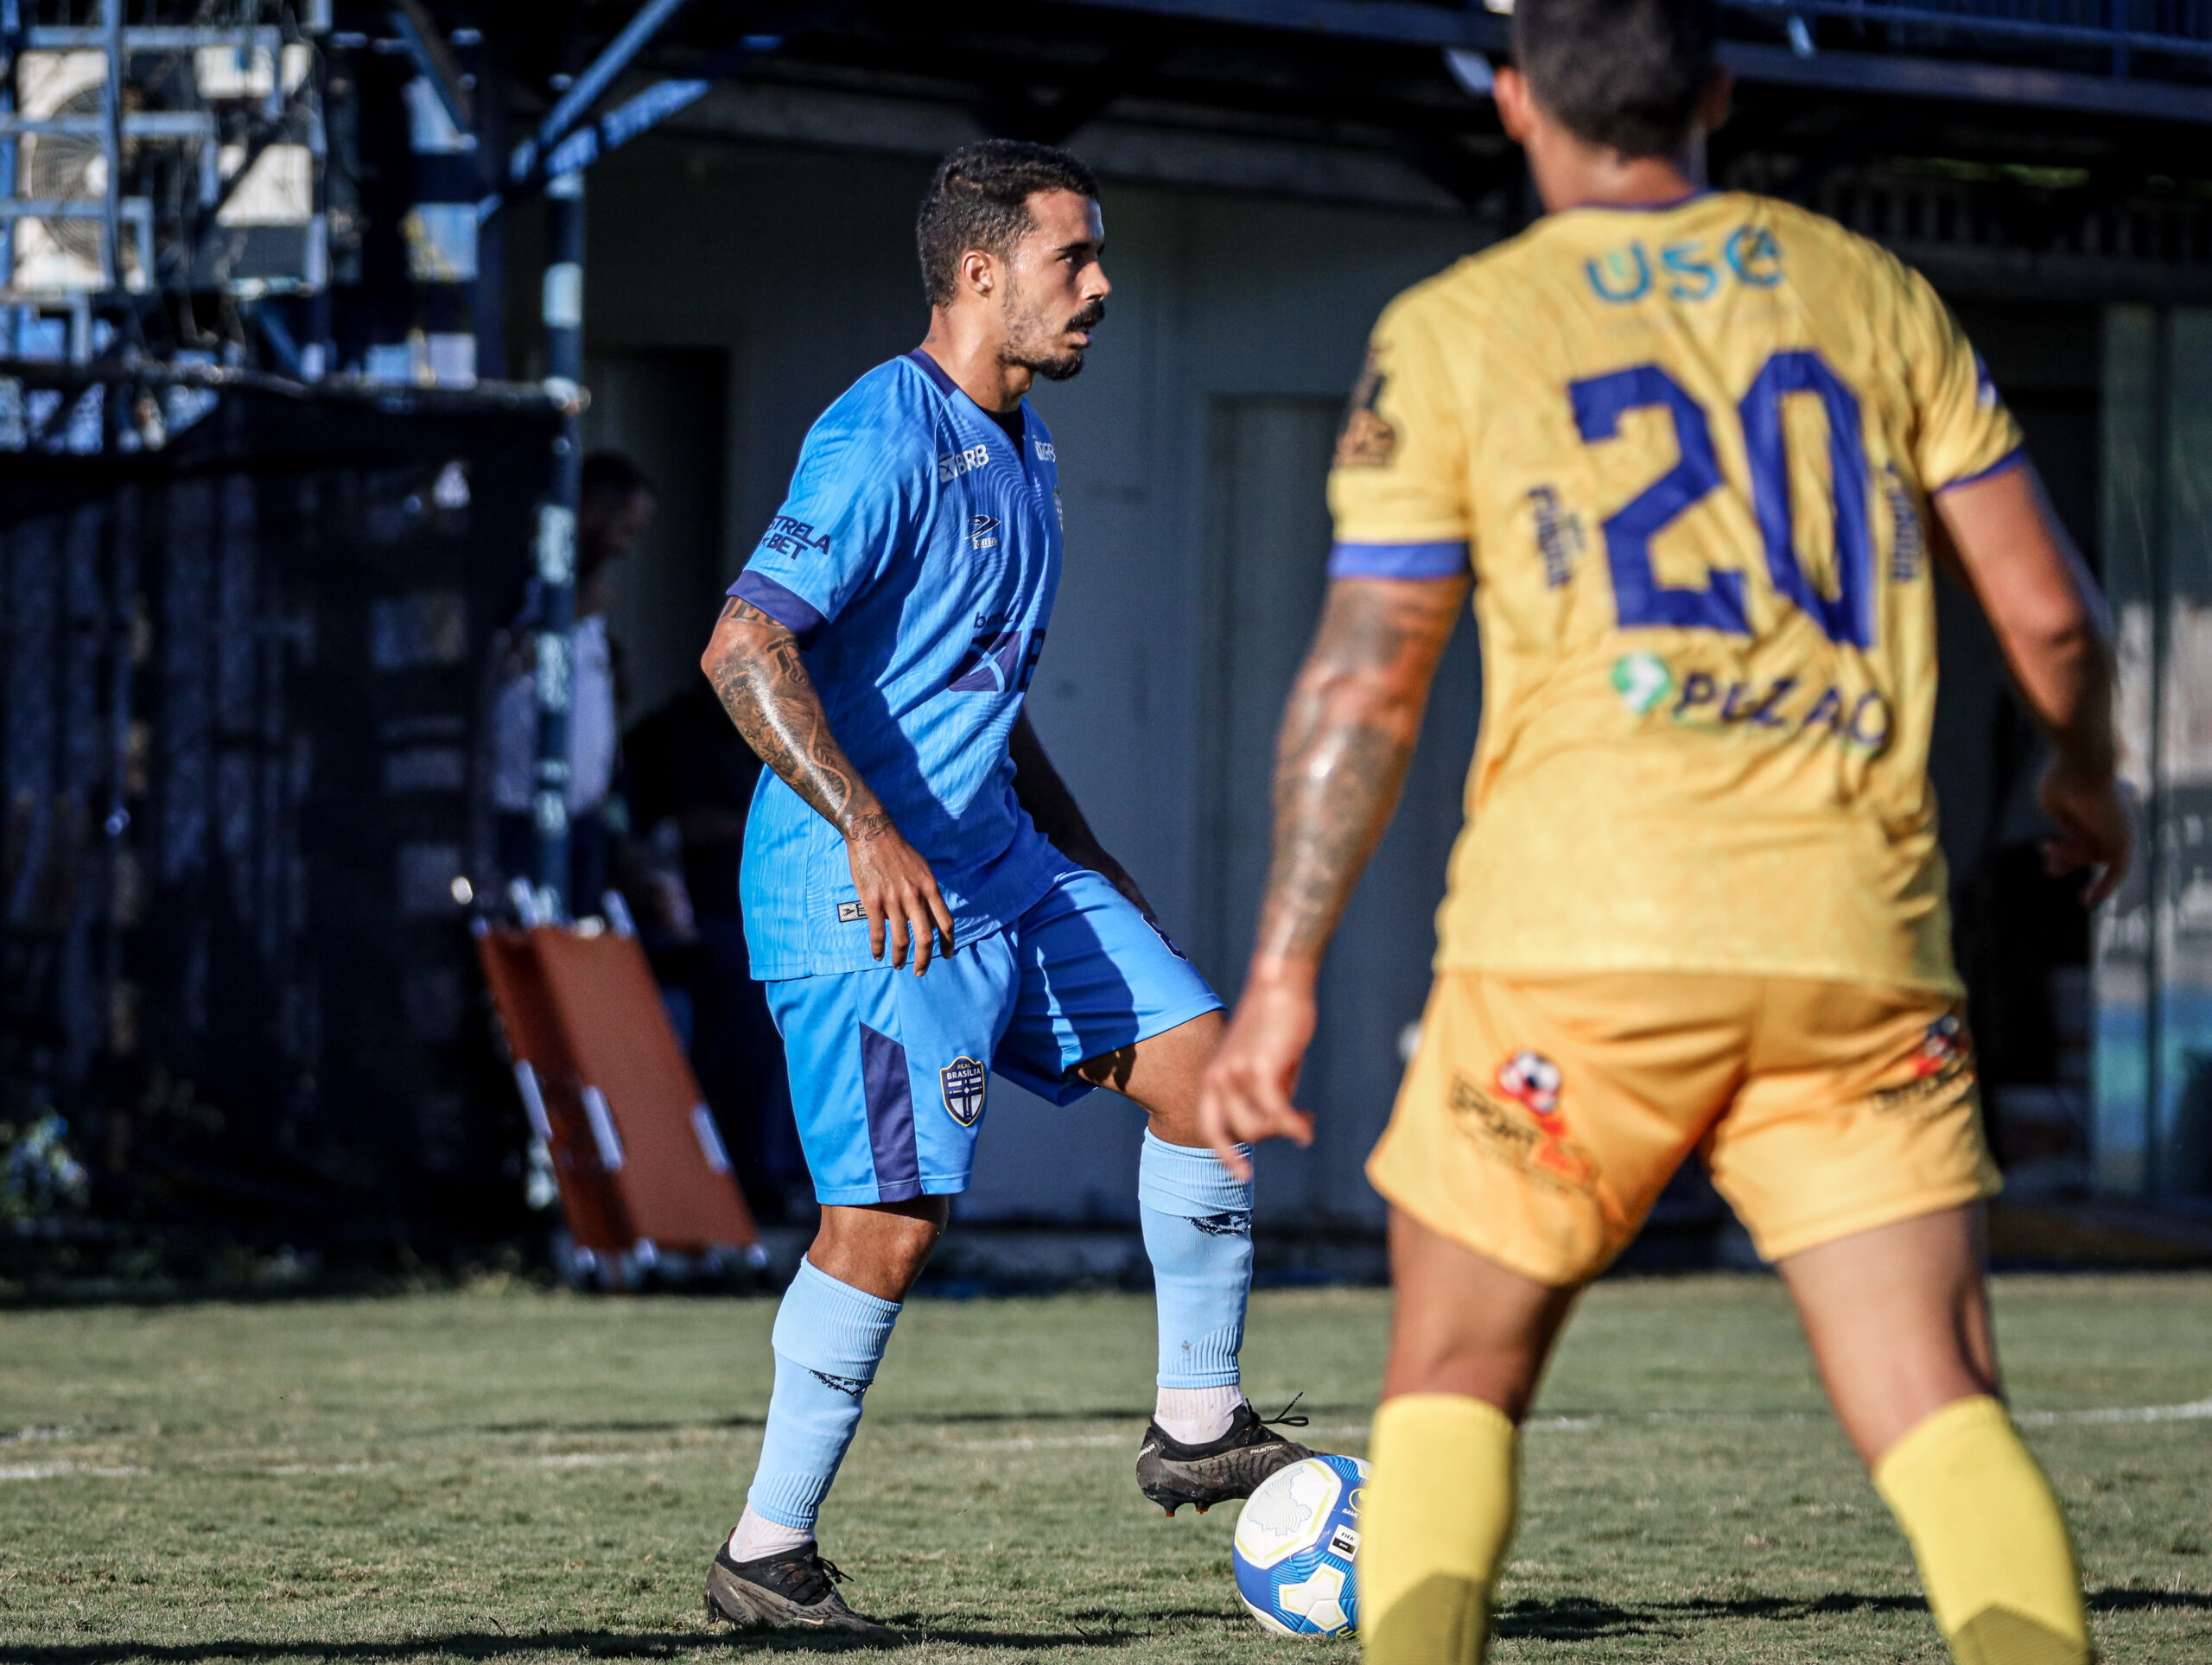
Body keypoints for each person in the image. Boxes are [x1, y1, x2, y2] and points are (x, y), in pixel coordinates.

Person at [1195, 0, 2129, 1660]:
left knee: (1452, 1387)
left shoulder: (1460, 323)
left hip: (1572, 946)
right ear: (1717, 87)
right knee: (1939, 1402)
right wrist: (2083, 777)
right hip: (1855, 941)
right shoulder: (1874, 292)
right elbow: (2053, 619)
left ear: (1508, 97)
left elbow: (1365, 684)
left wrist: (1282, 968)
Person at [696, 140, 1313, 1633]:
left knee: (1208, 1075)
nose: (1101, 286)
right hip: (865, 896)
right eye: (1073, 259)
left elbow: (981, 696)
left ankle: (1194, 1420)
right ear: (981, 271)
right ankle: (766, 1553)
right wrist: (863, 824)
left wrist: (1087, 860)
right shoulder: (880, 434)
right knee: (888, 1231)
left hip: (1005, 869)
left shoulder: (1025, 446)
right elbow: (741, 649)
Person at [623, 680, 807, 1216]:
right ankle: (755, 1176)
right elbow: (652, 831)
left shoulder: (794, 725)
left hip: (779, 921)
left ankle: (802, 1179)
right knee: (753, 999)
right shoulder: (670, 736)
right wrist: (742, 828)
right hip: (698, 923)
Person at [490, 452, 658, 909]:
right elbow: (489, 670)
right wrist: (560, 620)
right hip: (521, 807)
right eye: (622, 529)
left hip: (583, 815)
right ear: (590, 509)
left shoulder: (593, 589)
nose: (624, 548)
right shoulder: (522, 574)